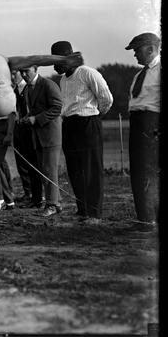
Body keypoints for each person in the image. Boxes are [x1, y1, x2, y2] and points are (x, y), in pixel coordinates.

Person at [50, 41, 113, 221]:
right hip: (70, 125)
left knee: (91, 169)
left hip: (88, 123)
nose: (55, 66)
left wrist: (94, 116)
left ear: (68, 58)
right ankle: (82, 209)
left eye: (58, 61)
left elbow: (106, 98)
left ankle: (94, 213)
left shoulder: (87, 73)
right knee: (75, 169)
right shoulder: (63, 80)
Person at [125, 32, 161, 229]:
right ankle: (145, 218)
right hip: (138, 125)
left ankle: (152, 218)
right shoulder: (140, 74)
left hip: (153, 125)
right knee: (138, 172)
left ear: (150, 49)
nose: (135, 55)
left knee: (150, 172)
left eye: (137, 50)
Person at [19, 65, 63, 217]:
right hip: (37, 137)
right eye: (21, 72)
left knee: (50, 170)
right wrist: (27, 118)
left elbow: (57, 107)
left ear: (36, 69)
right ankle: (55, 203)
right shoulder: (28, 89)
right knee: (44, 171)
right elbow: (35, 109)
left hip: (50, 135)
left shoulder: (48, 84)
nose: (24, 74)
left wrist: (36, 119)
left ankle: (51, 205)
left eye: (27, 71)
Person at [11, 70, 43, 208]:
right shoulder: (13, 90)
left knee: (32, 162)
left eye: (14, 73)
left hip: (29, 130)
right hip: (18, 130)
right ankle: (28, 192)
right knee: (21, 162)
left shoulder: (28, 88)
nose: (12, 77)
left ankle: (36, 195)